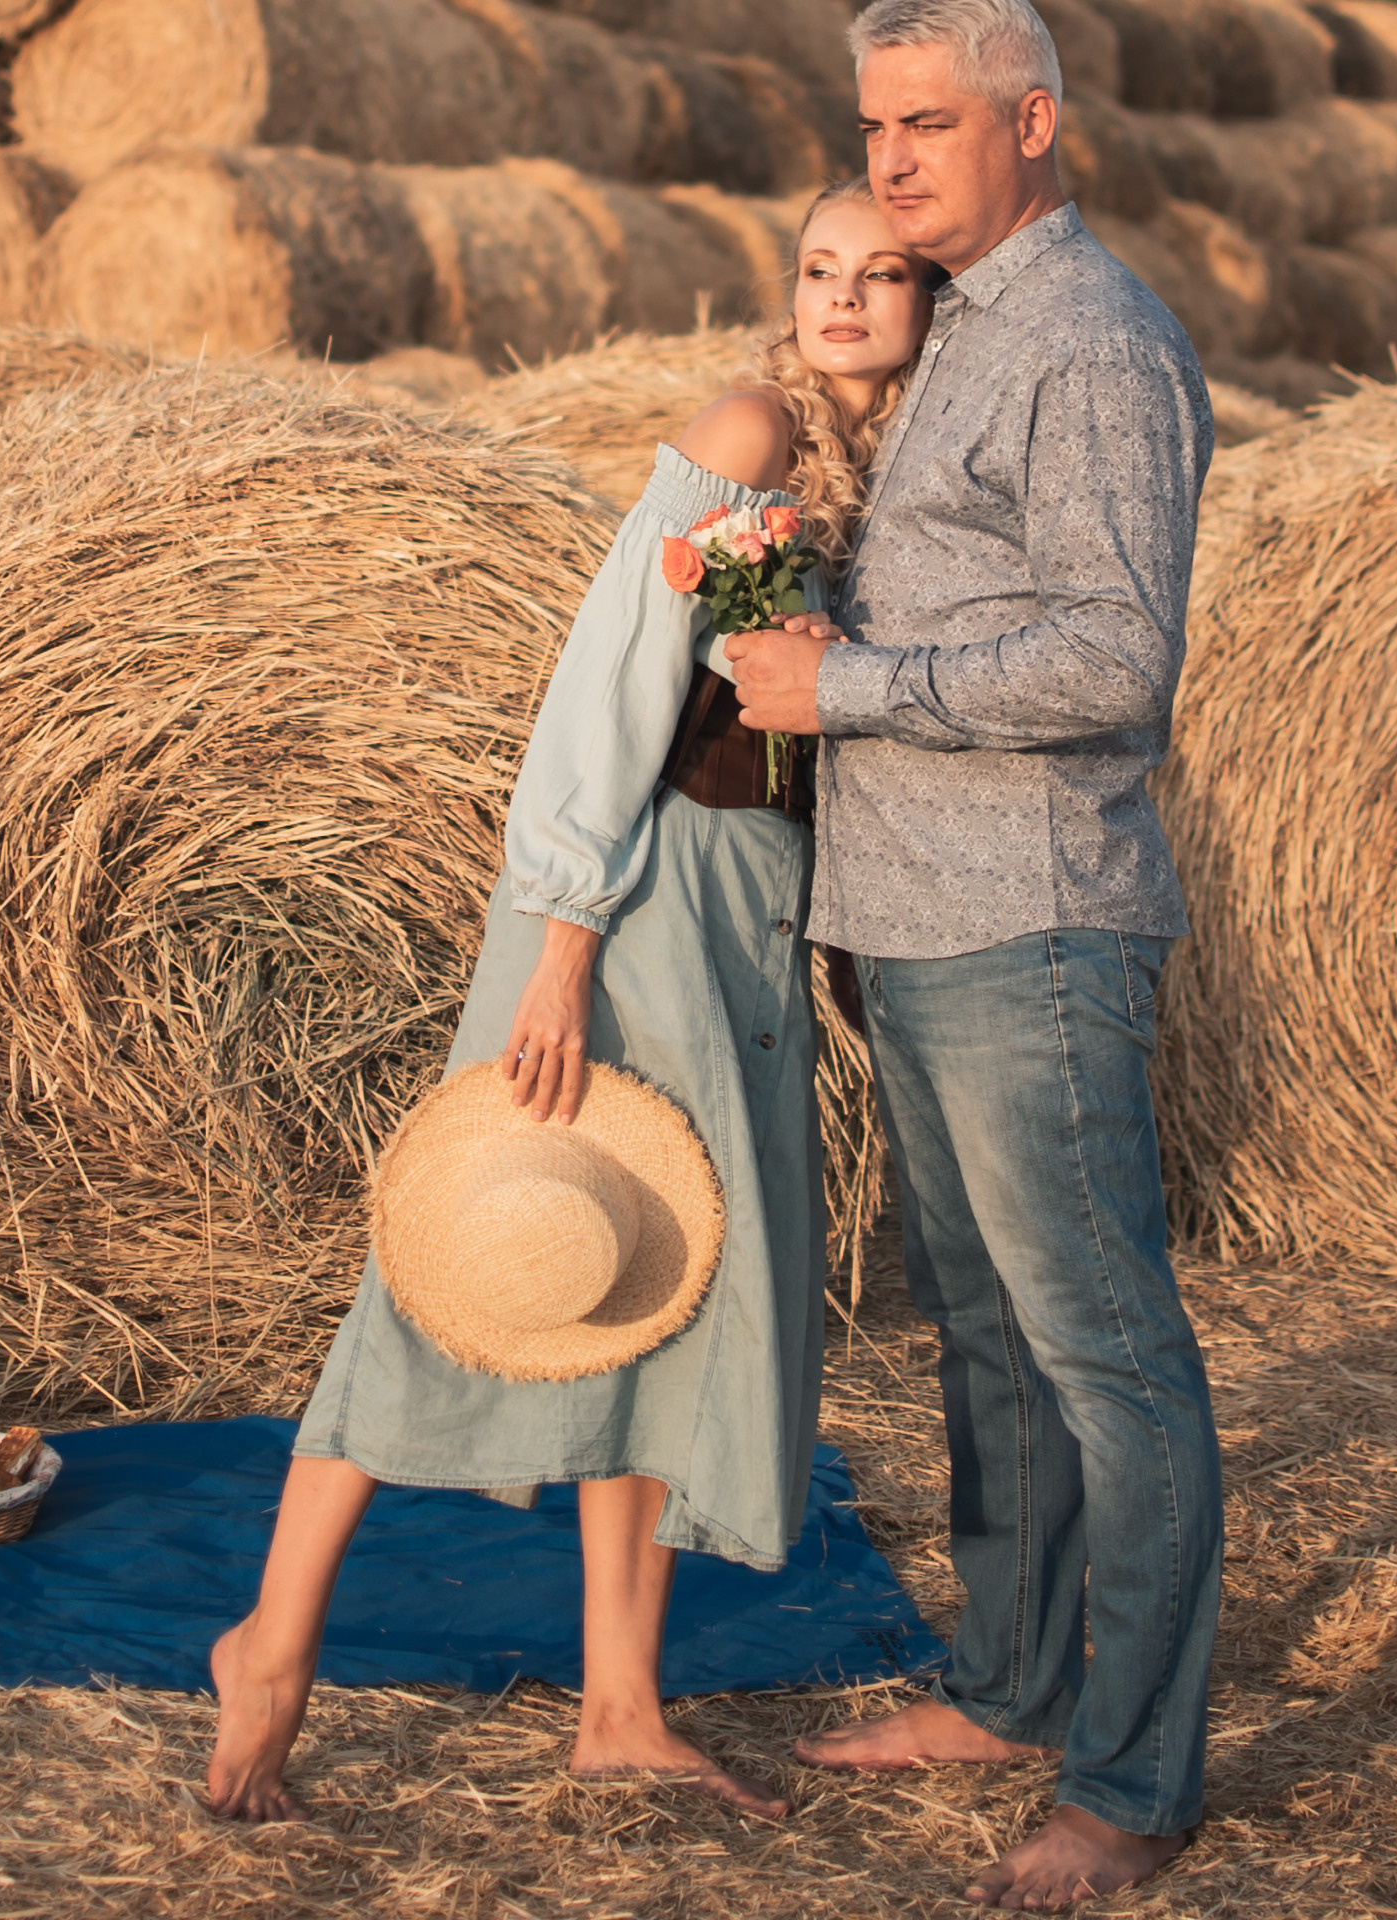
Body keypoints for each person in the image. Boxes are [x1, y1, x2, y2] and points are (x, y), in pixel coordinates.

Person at [207, 180, 935, 1827]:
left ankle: (620, 1704)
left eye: (880, 274)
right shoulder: (747, 433)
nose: (842, 300)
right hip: (632, 896)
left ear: (923, 300)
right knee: (459, 1262)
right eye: (819, 270)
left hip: (742, 911)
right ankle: (272, 1637)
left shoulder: (885, 477)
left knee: (649, 1278)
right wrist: (560, 934)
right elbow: (608, 685)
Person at [728, 0, 1222, 1910]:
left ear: (1031, 122)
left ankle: (1136, 1773)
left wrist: (847, 678)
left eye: (927, 122)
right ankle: (1015, 1683)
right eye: (871, 127)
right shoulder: (959, 334)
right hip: (921, 920)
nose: (891, 160)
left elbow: (1111, 656)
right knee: (997, 1350)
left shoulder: (1090, 341)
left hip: (1032, 922)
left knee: (1107, 1356)